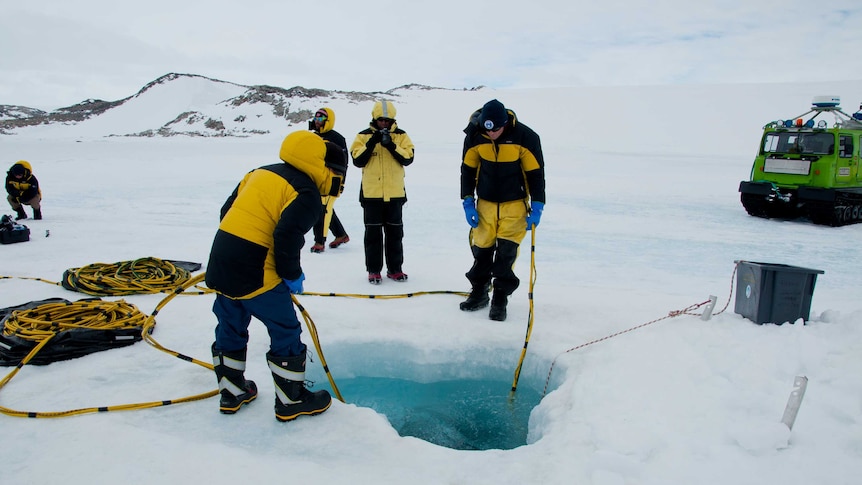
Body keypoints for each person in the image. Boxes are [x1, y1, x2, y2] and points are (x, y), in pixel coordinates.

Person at [205, 130, 347, 422]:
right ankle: (291, 400)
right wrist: (291, 274)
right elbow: (286, 236)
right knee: (285, 329)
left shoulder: (260, 172)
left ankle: (232, 392)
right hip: (255, 270)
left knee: (230, 324)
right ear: (325, 168)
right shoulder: (306, 193)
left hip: (220, 260)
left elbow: (226, 211)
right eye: (339, 173)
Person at [459, 99, 546, 321]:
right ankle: (479, 292)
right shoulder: (475, 135)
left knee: (506, 254)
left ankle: (500, 297)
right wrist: (468, 200)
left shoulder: (526, 137)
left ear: (504, 123)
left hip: (514, 205)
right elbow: (467, 170)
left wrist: (538, 205)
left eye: (497, 130)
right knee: (482, 251)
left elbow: (536, 174)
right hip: (485, 205)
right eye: (489, 130)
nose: (493, 135)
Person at [350, 100, 415, 284]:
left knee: (395, 234)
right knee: (373, 235)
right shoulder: (362, 136)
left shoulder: (401, 136)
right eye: (381, 120)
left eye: (387, 120)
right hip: (371, 195)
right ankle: (373, 270)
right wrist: (373, 142)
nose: (384, 124)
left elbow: (408, 158)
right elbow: (358, 160)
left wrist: (390, 145)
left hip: (395, 194)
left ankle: (395, 269)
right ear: (375, 119)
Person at [308, 107, 350, 253]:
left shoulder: (337, 138)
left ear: (328, 120)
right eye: (316, 117)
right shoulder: (313, 137)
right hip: (316, 178)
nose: (317, 120)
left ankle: (319, 241)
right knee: (324, 207)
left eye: (321, 118)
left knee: (323, 209)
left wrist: (342, 182)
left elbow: (344, 163)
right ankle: (341, 234)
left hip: (332, 179)